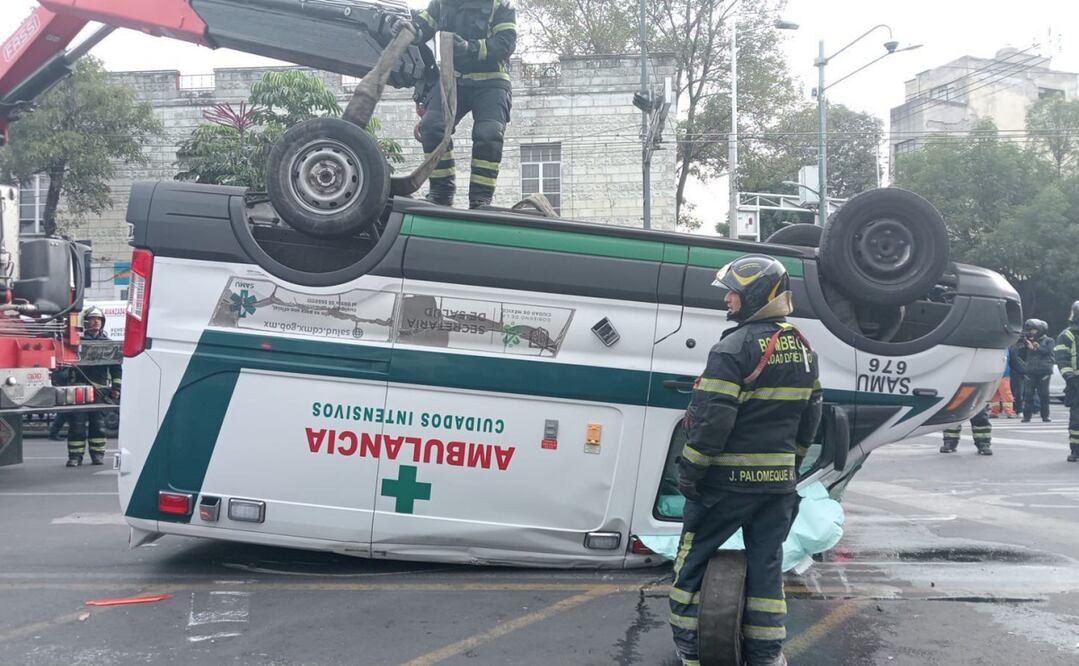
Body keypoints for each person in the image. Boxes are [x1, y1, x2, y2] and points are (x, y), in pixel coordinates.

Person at [670, 255, 822, 666]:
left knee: (691, 559)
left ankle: (689, 650)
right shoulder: (804, 349)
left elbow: (711, 420)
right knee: (766, 568)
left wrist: (691, 471)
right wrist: (793, 463)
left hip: (725, 485)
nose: (728, 301)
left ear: (755, 295)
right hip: (778, 488)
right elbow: (811, 417)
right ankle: (767, 655)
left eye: (734, 294)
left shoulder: (732, 348)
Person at [409, 0, 516, 209]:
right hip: (453, 79)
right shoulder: (441, 2)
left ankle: (480, 199)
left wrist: (471, 47)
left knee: (489, 134)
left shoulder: (500, 4)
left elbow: (505, 43)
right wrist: (409, 29)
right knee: (432, 127)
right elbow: (424, 23)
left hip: (492, 82)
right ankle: (441, 192)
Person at [65, 307, 122, 467]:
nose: (96, 321)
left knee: (98, 425)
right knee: (77, 424)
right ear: (86, 322)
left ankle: (97, 455)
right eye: (92, 318)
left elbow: (116, 368)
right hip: (78, 391)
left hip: (101, 391)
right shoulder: (77, 343)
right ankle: (75, 456)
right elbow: (66, 367)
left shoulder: (109, 345)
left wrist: (116, 388)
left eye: (99, 319)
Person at [1016, 318, 1055, 423]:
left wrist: (1034, 347)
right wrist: (1022, 345)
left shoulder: (1049, 341)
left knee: (1044, 395)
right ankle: (1026, 416)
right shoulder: (1029, 341)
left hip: (1044, 372)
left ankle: (1045, 416)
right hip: (1030, 371)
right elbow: (1021, 356)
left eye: (1034, 330)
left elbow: (1047, 351)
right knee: (1028, 394)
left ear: (1040, 330)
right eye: (1030, 330)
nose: (1032, 332)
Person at [1054, 301, 1079, 462]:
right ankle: (1076, 450)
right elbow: (1062, 359)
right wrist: (1070, 377)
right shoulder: (1067, 335)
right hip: (1076, 383)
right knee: (1077, 418)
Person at [1008, 336, 1026, 417]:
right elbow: (1015, 360)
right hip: (1018, 372)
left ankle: (1017, 409)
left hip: (1015, 372)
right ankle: (1019, 410)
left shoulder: (1012, 347)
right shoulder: (1015, 348)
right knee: (1018, 393)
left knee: (1017, 392)